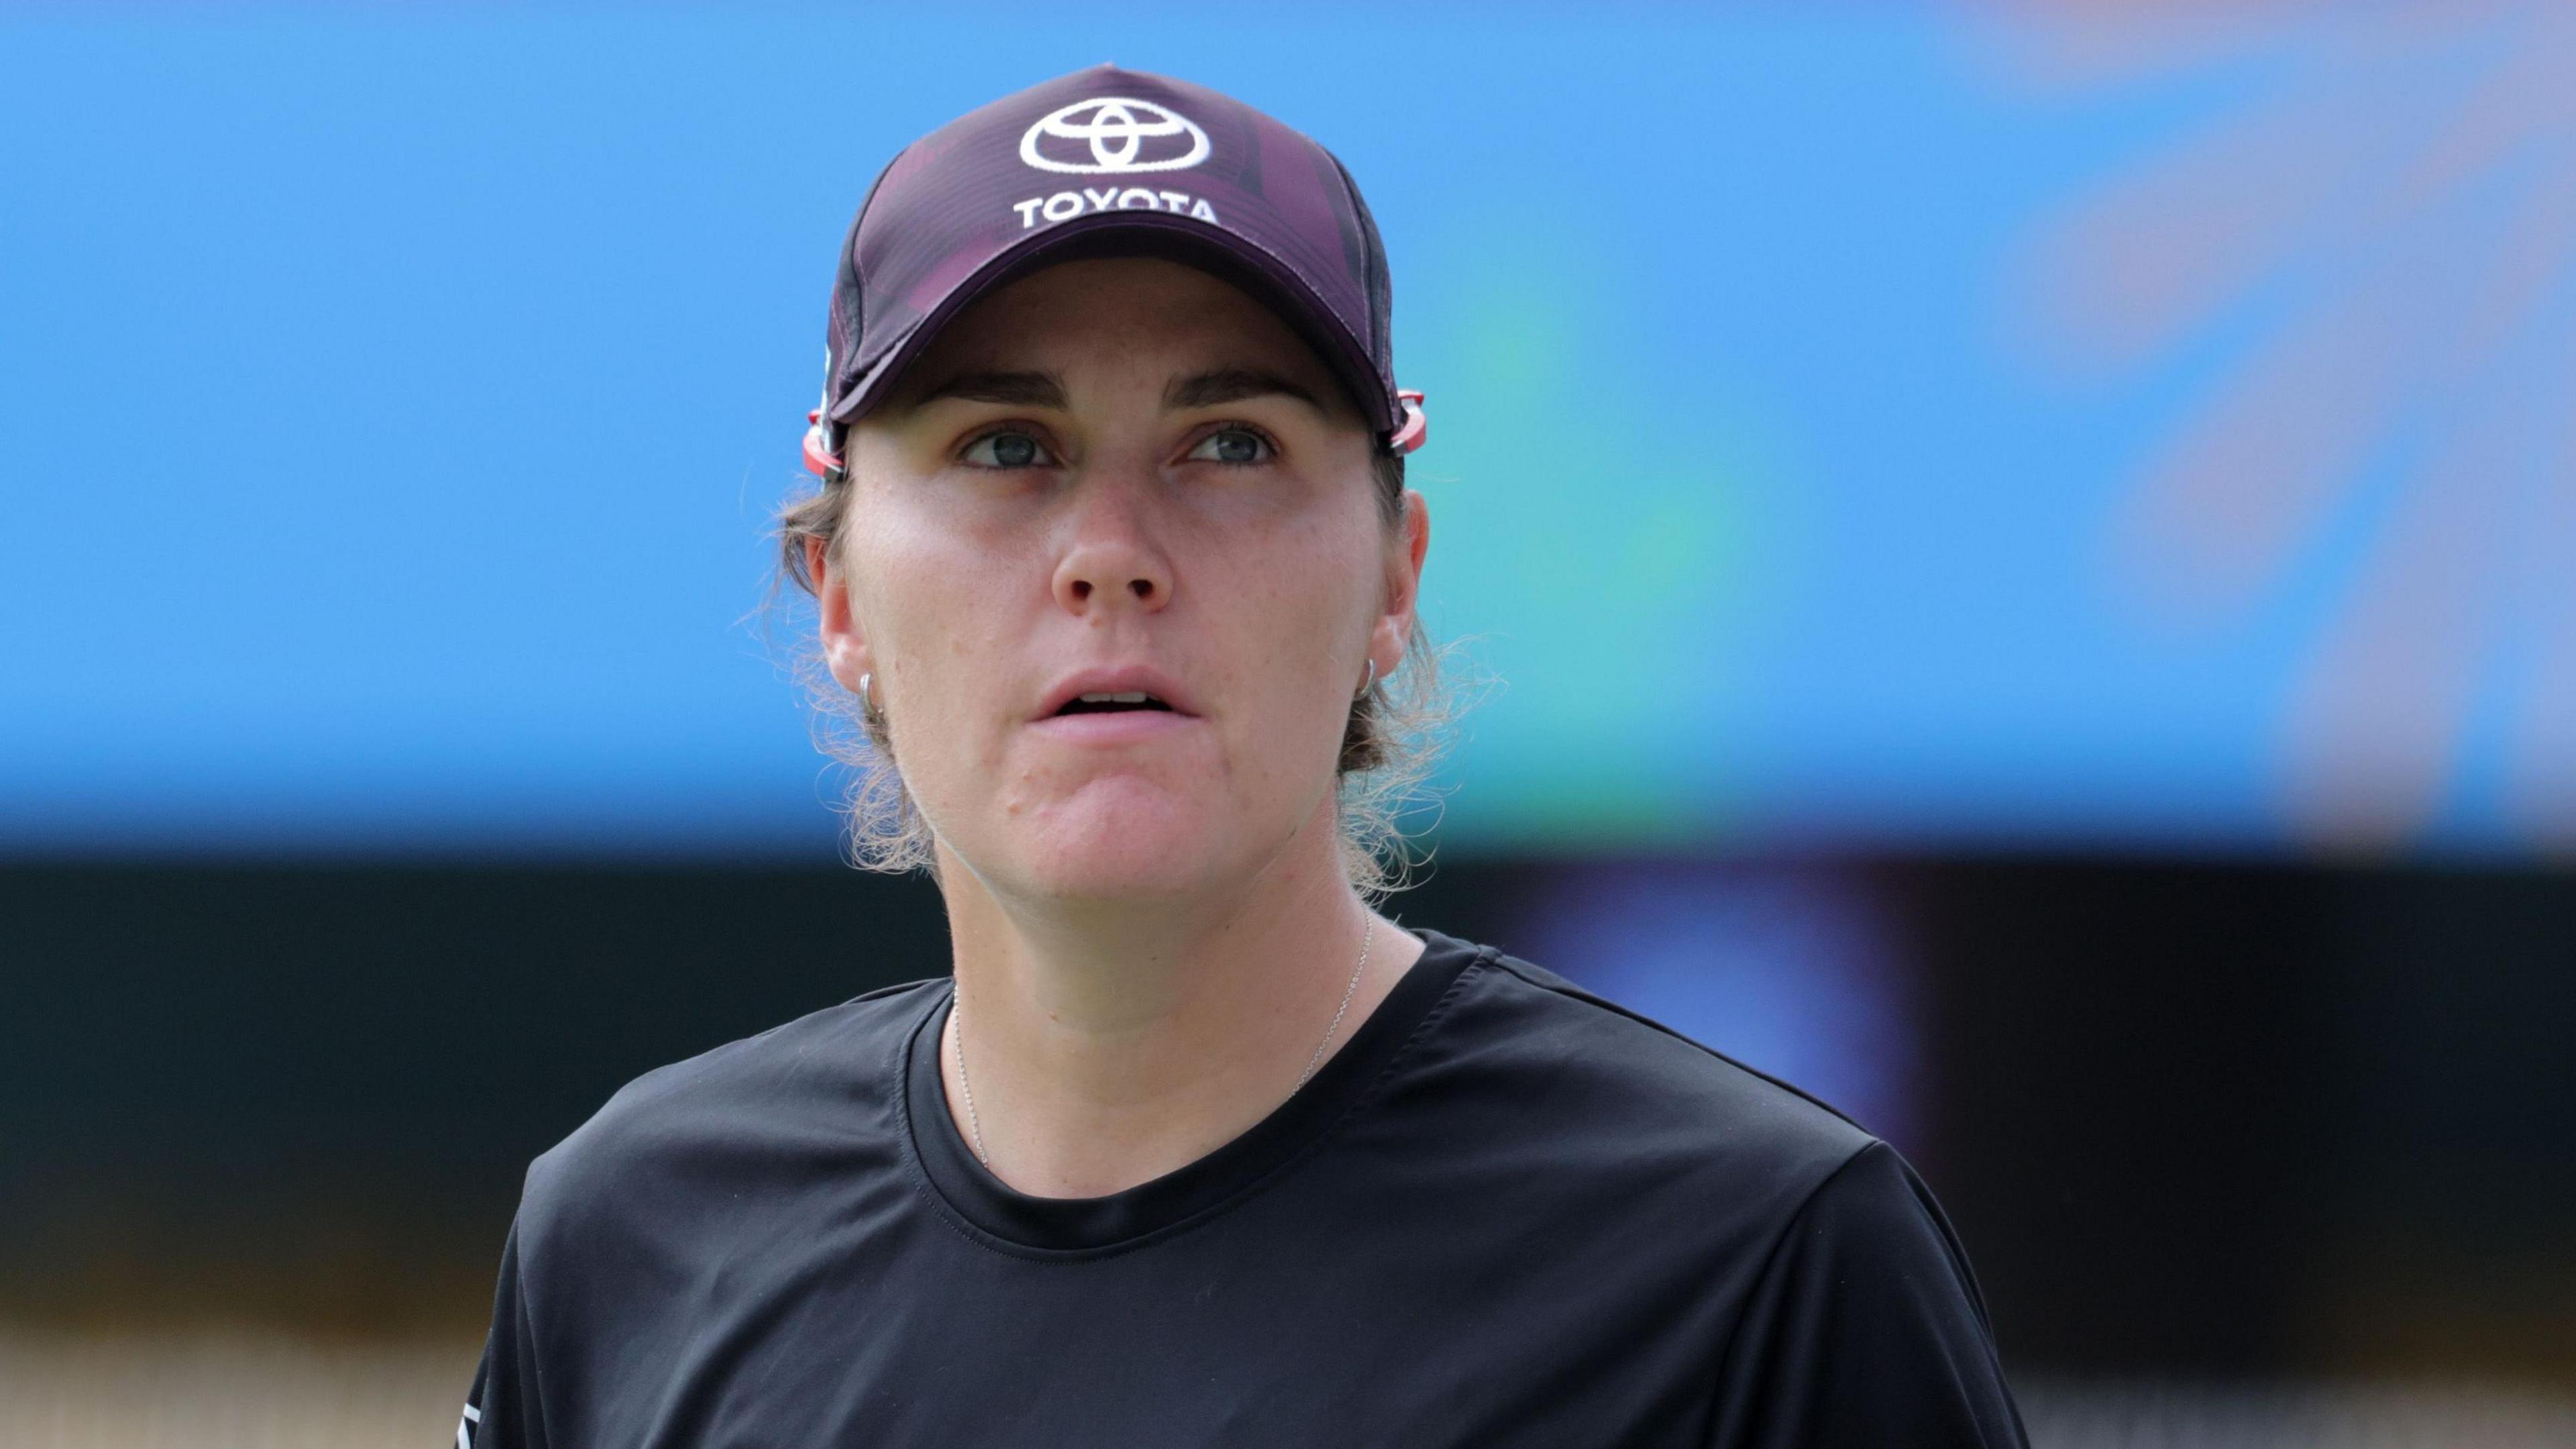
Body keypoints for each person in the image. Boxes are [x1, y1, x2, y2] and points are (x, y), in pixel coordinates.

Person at [458, 64, 2030, 1447]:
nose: (1111, 554)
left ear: (1395, 578)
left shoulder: (1758, 1265)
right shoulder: (631, 1240)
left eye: (1230, 445)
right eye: (1007, 447)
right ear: (845, 596)